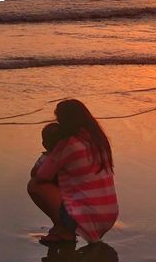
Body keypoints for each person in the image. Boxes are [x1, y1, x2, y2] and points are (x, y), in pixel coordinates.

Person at [27, 99, 118, 246]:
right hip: (108, 214)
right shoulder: (99, 140)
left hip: (91, 216)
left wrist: (49, 154)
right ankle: (64, 227)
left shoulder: (70, 144)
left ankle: (64, 231)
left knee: (35, 185)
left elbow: (40, 176)